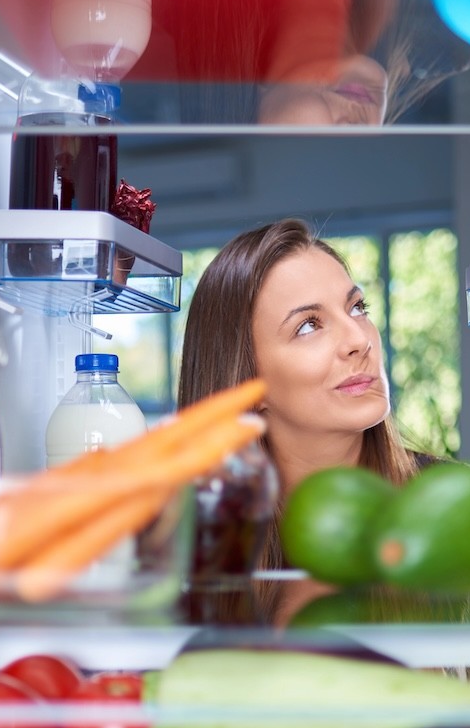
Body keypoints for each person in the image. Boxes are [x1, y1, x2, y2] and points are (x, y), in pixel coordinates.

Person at [178, 218, 432, 623]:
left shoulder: (443, 504)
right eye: (309, 325)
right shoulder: (188, 545)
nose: (359, 340)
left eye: (357, 307)